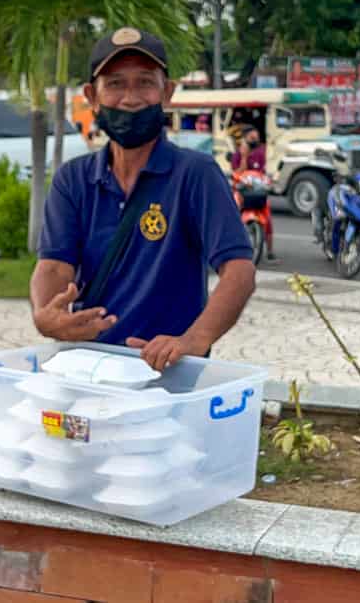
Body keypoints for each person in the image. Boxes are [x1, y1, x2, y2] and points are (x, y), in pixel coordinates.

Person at [30, 27, 257, 371]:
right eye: (116, 84)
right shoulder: (72, 180)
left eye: (145, 83)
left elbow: (239, 271)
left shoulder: (196, 174)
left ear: (167, 92)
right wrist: (47, 314)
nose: (131, 98)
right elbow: (53, 266)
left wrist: (194, 339)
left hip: (169, 373)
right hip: (89, 369)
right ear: (92, 95)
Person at [230, 126, 278, 262]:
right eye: (251, 138)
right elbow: (237, 172)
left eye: (256, 138)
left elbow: (264, 172)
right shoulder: (237, 155)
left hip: (258, 192)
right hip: (242, 192)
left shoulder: (261, 153)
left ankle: (270, 251)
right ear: (244, 139)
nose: (255, 140)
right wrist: (244, 157)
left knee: (267, 219)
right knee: (233, 212)